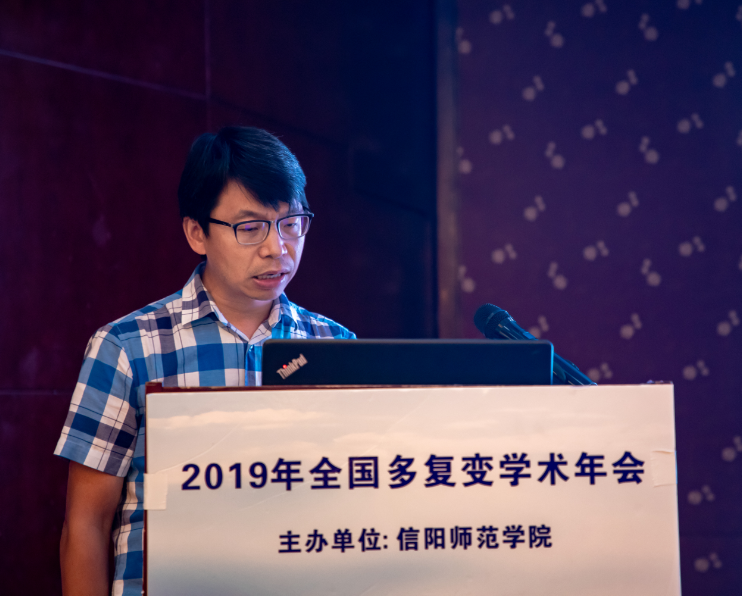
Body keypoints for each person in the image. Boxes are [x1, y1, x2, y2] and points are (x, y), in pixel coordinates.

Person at [54, 126, 355, 595]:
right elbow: (86, 523)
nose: (277, 247)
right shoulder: (128, 347)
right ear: (197, 233)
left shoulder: (335, 346)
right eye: (250, 228)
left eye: (291, 223)